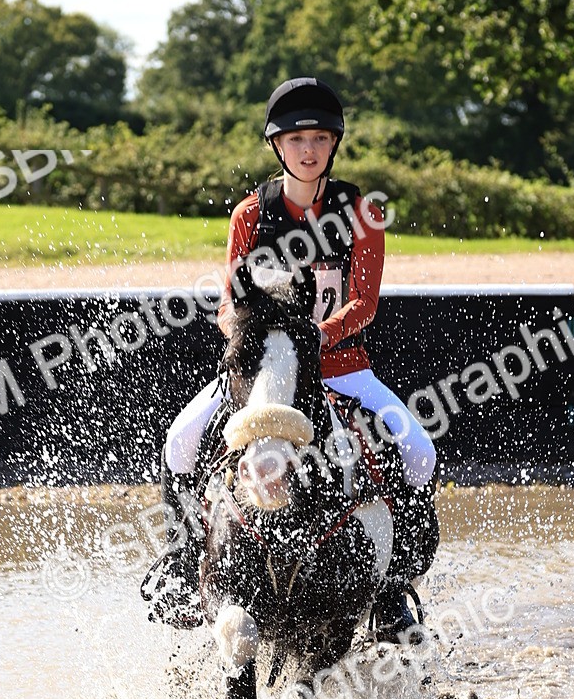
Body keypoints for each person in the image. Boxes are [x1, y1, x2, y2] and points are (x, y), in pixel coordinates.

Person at [151, 77, 437, 637]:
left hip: (342, 368)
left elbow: (363, 303)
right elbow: (229, 302)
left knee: (418, 454)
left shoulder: (363, 213)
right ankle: (184, 568)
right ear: (277, 146)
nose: (309, 150)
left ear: (335, 144)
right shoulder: (248, 215)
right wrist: (251, 338)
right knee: (180, 442)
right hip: (262, 372)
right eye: (297, 139)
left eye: (320, 138)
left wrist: (312, 339)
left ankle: (390, 591)